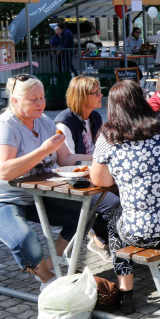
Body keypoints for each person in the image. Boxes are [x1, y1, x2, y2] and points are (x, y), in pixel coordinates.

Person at [0, 75, 97, 292]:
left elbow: (65, 159)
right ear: (15, 101)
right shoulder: (4, 127)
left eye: (42, 97)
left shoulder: (44, 122)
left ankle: (51, 263)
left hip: (34, 197)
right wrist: (42, 151)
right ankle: (48, 281)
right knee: (24, 238)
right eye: (33, 99)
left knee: (86, 213)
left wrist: (100, 159)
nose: (40, 103)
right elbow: (5, 171)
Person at [91, 80, 160, 313]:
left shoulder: (109, 135)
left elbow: (100, 181)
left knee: (115, 222)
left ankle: (125, 293)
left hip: (144, 232)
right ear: (143, 100)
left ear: (113, 107)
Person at [54, 75, 120, 262]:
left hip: (96, 174)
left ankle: (123, 242)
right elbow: (66, 161)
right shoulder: (64, 122)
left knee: (127, 192)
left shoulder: (95, 116)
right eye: (96, 92)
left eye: (101, 91)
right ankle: (100, 238)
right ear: (82, 96)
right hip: (75, 182)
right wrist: (99, 159)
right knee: (113, 202)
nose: (101, 95)